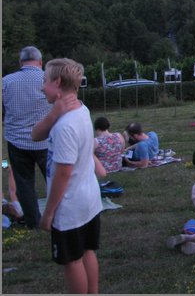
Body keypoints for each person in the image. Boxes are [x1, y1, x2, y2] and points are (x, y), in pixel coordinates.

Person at [31, 58, 102, 293]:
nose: (42, 87)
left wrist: (48, 212)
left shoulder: (65, 127)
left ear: (57, 82)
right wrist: (54, 113)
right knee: (87, 251)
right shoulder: (81, 109)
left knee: (72, 261)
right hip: (89, 199)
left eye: (44, 81)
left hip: (69, 206)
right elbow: (35, 135)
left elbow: (63, 173)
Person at [2, 46, 52, 229]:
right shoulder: (48, 79)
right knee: (54, 179)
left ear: (20, 62)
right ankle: (63, 216)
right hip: (46, 140)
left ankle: (33, 222)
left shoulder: (6, 81)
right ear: (40, 62)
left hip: (17, 142)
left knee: (24, 184)